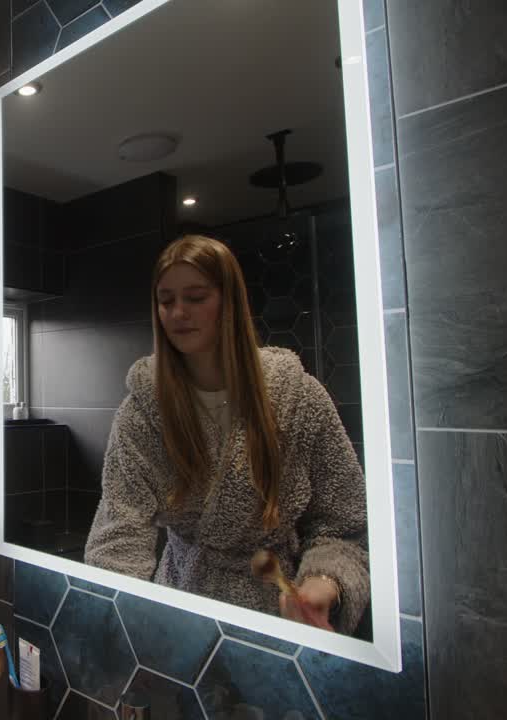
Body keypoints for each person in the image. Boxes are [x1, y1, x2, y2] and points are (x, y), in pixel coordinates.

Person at [83, 234, 369, 634]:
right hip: (183, 610)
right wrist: (122, 625)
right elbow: (118, 536)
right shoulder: (143, 414)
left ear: (229, 302)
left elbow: (346, 526)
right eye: (166, 300)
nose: (178, 312)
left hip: (277, 616)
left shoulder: (298, 400)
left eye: (196, 297)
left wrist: (323, 581)